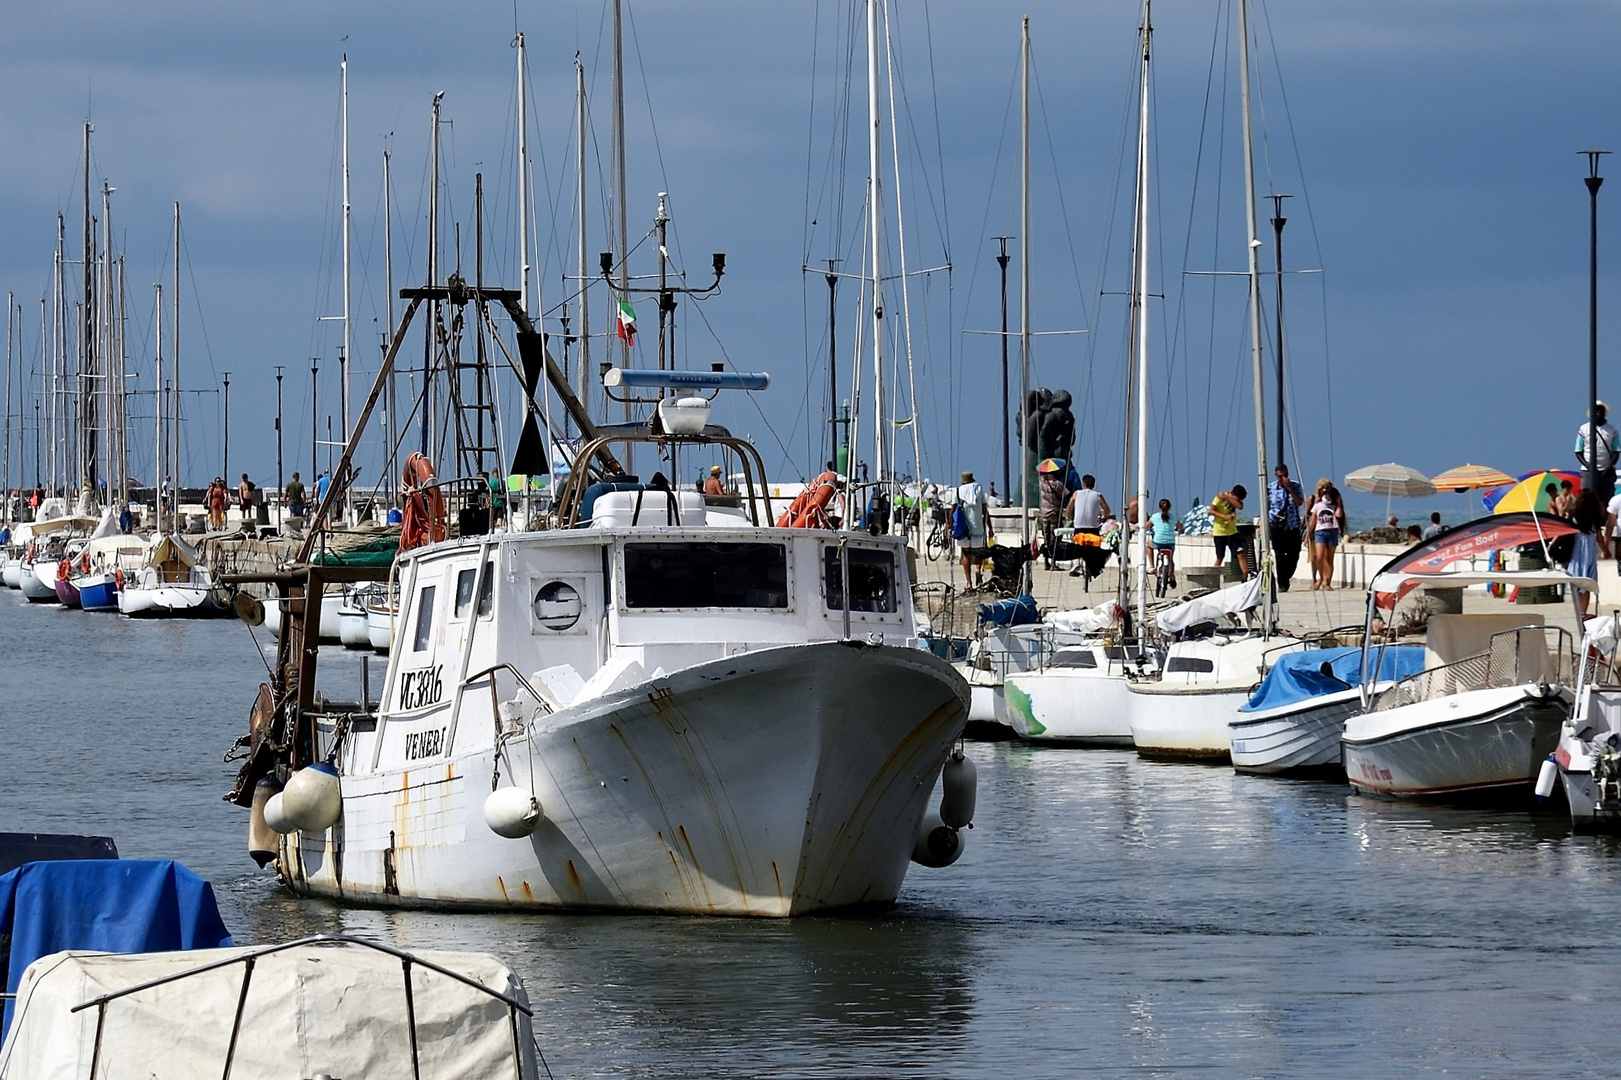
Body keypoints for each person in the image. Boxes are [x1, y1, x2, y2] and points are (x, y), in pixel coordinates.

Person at [1267, 464, 1305, 592]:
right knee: (1279, 555)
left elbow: (1299, 502)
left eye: (1284, 476)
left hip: (1292, 526)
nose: (1281, 478)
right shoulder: (1271, 488)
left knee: (1294, 554)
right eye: (1279, 476)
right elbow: (1267, 505)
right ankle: (1282, 584)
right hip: (1277, 526)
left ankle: (1286, 575)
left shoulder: (1295, 486)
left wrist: (1289, 488)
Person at [1575, 400, 1619, 504]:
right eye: (1596, 411)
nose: (1598, 413)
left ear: (1605, 413)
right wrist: (1589, 466)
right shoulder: (1583, 429)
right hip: (1588, 471)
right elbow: (1578, 451)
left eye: (1601, 411)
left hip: (1606, 473)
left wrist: (1608, 468)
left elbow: (1616, 452)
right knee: (1587, 499)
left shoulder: (1612, 430)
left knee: (1606, 501)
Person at [955, 470, 990, 590]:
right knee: (978, 552)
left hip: (963, 528)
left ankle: (969, 583)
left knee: (966, 554)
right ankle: (977, 569)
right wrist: (990, 527)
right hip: (978, 527)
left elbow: (953, 509)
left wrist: (950, 526)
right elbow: (984, 510)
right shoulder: (978, 489)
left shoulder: (959, 491)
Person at [1571, 488, 1603, 617]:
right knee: (1587, 583)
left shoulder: (1574, 515)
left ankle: (1579, 611)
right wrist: (1606, 551)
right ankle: (1583, 612)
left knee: (1577, 583)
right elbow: (1599, 538)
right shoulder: (1595, 517)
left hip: (1576, 552)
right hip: (1589, 552)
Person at [1309, 484, 1346, 590]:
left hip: (1332, 532)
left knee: (1329, 558)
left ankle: (1327, 582)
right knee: (1320, 557)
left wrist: (1338, 503)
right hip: (1320, 532)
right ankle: (1320, 578)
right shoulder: (1317, 506)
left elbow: (1339, 515)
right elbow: (1313, 521)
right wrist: (1308, 534)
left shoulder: (1334, 506)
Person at [1210, 484, 1250, 578]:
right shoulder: (1219, 498)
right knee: (1220, 557)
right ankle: (1213, 577)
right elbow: (1211, 511)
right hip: (1219, 532)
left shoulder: (1228, 498)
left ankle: (1245, 576)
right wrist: (1224, 516)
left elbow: (1240, 506)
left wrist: (1227, 497)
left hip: (1232, 532)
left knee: (1240, 553)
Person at [1037, 459, 1067, 569]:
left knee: (1046, 539)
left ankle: (1046, 561)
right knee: (1055, 540)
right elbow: (1065, 494)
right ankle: (1053, 561)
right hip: (1054, 512)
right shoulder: (1058, 484)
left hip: (1044, 513)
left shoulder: (1042, 483)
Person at [1148, 497, 1181, 586]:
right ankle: (1172, 576)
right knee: (1170, 559)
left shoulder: (1154, 517)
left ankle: (1152, 567)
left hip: (1158, 542)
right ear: (1170, 508)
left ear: (1159, 507)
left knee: (1148, 545)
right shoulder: (1173, 517)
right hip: (1170, 542)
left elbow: (1147, 526)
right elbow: (1180, 526)